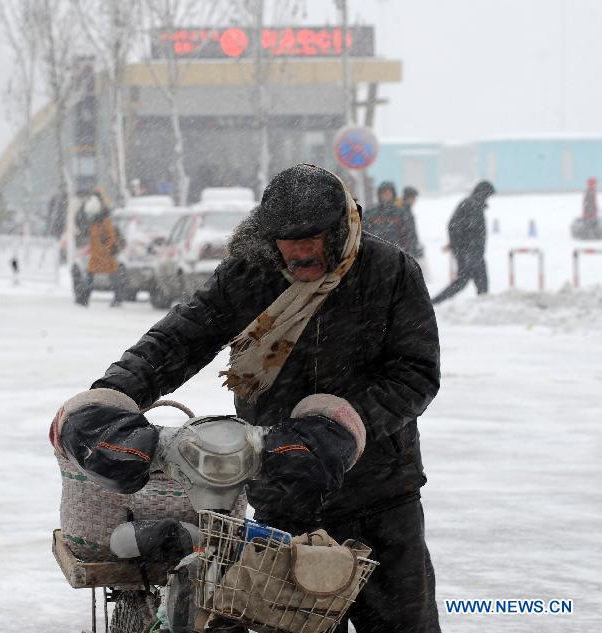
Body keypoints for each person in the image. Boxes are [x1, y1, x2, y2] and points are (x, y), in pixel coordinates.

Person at [51, 164, 442, 632]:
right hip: (282, 489)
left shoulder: (390, 271)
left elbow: (414, 373)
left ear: (339, 229)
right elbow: (182, 338)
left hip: (380, 498)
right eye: (285, 239)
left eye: (311, 238)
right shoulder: (252, 272)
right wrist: (110, 395)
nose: (297, 251)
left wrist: (344, 424)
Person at [431, 180, 495, 305]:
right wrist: (461, 245)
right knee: (463, 281)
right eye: (488, 195)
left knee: (481, 280)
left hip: (473, 251)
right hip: (469, 251)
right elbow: (455, 226)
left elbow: (456, 226)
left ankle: (484, 305)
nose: (488, 198)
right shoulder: (472, 205)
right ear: (484, 193)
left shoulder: (473, 204)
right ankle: (434, 302)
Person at [75, 192, 123, 307]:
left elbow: (111, 237)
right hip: (97, 253)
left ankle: (117, 298)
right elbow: (79, 220)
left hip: (106, 254)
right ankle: (84, 298)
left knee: (112, 276)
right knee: (92, 276)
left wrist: (107, 249)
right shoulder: (95, 221)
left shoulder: (105, 221)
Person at [362, 181, 423, 257]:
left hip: (398, 255)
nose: (386, 196)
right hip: (375, 256)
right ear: (379, 195)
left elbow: (410, 234)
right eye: (384, 193)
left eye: (389, 193)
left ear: (393, 194)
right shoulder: (370, 213)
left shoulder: (402, 213)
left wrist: (413, 249)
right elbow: (363, 233)